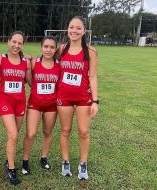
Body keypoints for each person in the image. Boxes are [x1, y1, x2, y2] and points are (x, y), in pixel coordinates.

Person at [57, 16, 98, 180]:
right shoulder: (62, 49)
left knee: (84, 131)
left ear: (84, 31)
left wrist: (95, 100)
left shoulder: (91, 51)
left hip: (83, 97)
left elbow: (93, 76)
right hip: (64, 97)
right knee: (65, 130)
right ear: (67, 29)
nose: (74, 31)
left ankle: (83, 163)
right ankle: (65, 161)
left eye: (78, 28)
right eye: (71, 27)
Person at [0, 31, 32, 185]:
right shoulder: (0, 59)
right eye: (14, 42)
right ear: (8, 42)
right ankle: (11, 168)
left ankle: (9, 159)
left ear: (23, 45)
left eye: (20, 43)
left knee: (13, 137)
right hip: (5, 101)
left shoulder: (25, 63)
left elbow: (31, 82)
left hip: (20, 102)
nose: (16, 45)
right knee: (13, 134)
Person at [21, 36, 60, 175]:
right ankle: (25, 160)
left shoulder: (59, 64)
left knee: (47, 132)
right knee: (31, 133)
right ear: (41, 47)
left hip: (52, 105)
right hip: (35, 104)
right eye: (46, 46)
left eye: (52, 47)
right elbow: (30, 81)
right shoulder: (33, 62)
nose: (48, 50)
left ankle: (44, 158)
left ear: (56, 49)